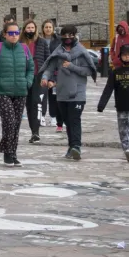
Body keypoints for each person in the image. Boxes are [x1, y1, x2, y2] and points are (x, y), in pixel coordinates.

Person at [39, 24, 96, 161]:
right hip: (62, 93)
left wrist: (72, 66)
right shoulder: (58, 52)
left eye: (71, 35)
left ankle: (76, 146)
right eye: (65, 36)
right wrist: (45, 77)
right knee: (67, 121)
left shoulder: (82, 52)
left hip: (78, 93)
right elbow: (50, 68)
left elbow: (88, 71)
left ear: (75, 36)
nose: (68, 38)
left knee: (75, 119)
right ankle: (71, 147)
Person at [0, 21, 33, 167]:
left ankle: (12, 153)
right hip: (0, 92)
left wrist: (27, 82)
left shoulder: (24, 48)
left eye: (16, 33)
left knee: (16, 123)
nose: (14, 36)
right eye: (11, 33)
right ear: (4, 34)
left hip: (20, 91)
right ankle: (7, 152)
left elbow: (30, 68)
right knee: (10, 120)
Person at [34, 20, 61, 131]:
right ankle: (43, 116)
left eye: (50, 27)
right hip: (43, 70)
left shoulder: (58, 40)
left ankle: (54, 117)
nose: (48, 29)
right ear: (43, 28)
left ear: (53, 28)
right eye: (46, 27)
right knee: (43, 95)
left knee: (54, 96)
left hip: (55, 71)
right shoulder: (39, 40)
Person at [21, 19, 42, 144]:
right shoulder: (20, 43)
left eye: (32, 28)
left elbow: (47, 59)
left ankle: (36, 131)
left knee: (36, 103)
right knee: (28, 104)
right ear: (24, 29)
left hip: (37, 76)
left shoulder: (41, 42)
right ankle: (32, 130)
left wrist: (48, 77)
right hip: (23, 76)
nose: (30, 30)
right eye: (28, 28)